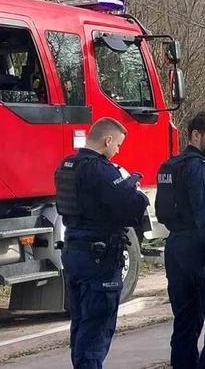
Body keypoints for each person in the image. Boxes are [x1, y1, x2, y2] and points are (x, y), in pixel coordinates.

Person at [55, 117, 149, 369]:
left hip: (74, 252)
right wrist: (137, 191)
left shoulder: (66, 165)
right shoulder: (101, 170)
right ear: (107, 140)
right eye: (118, 145)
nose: (117, 150)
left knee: (82, 323)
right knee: (97, 328)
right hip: (100, 258)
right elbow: (131, 208)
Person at [155, 111, 205, 369]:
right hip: (202, 251)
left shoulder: (168, 166)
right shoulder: (200, 169)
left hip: (176, 249)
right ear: (195, 135)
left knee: (185, 324)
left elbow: (161, 212)